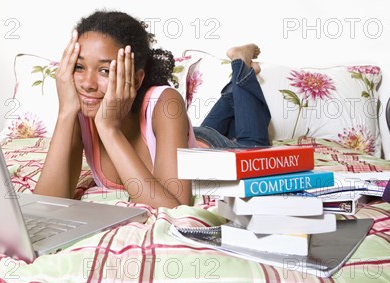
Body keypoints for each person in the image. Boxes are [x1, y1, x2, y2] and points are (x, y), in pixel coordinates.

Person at [35, 11, 271, 208]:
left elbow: (175, 207)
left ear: (137, 79)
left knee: (255, 143)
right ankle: (235, 87)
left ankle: (241, 63)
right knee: (221, 111)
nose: (87, 83)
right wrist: (65, 112)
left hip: (208, 147)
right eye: (79, 67)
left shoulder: (166, 102)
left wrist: (108, 128)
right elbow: (45, 206)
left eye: (105, 70)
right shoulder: (82, 109)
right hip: (184, 140)